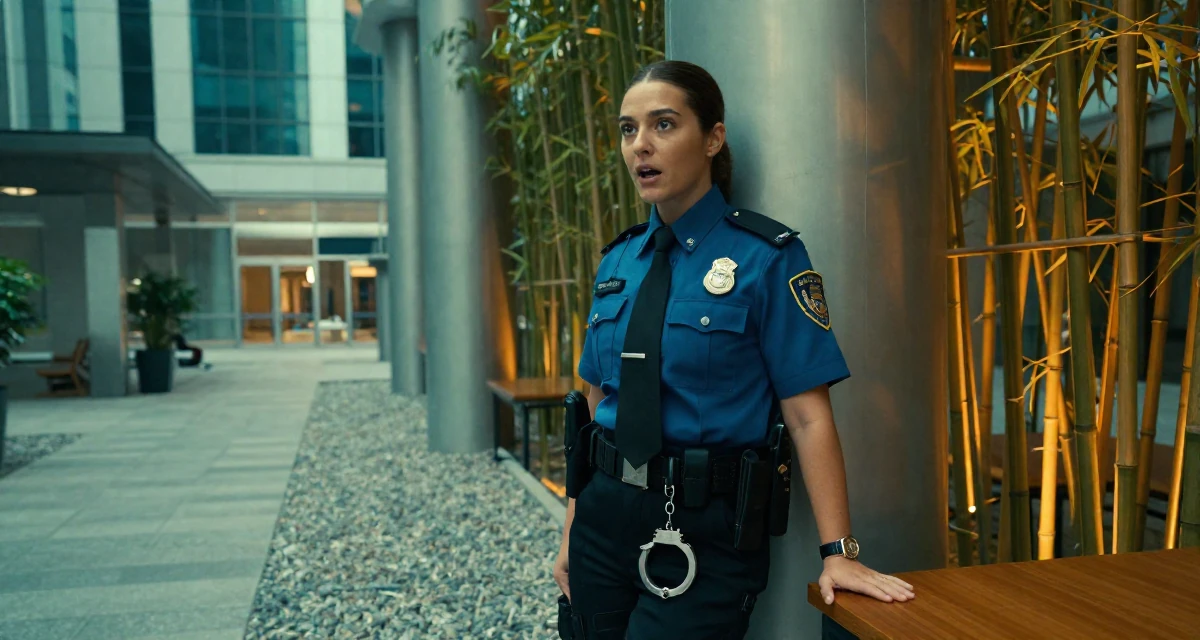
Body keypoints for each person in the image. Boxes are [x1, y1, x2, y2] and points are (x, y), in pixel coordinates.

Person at [553, 60, 915, 639]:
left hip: (701, 528)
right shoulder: (619, 260)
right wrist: (573, 527)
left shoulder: (767, 257)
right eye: (628, 129)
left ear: (712, 138)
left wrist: (839, 551)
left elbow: (808, 417)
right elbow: (597, 407)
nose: (640, 145)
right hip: (602, 520)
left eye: (663, 124)